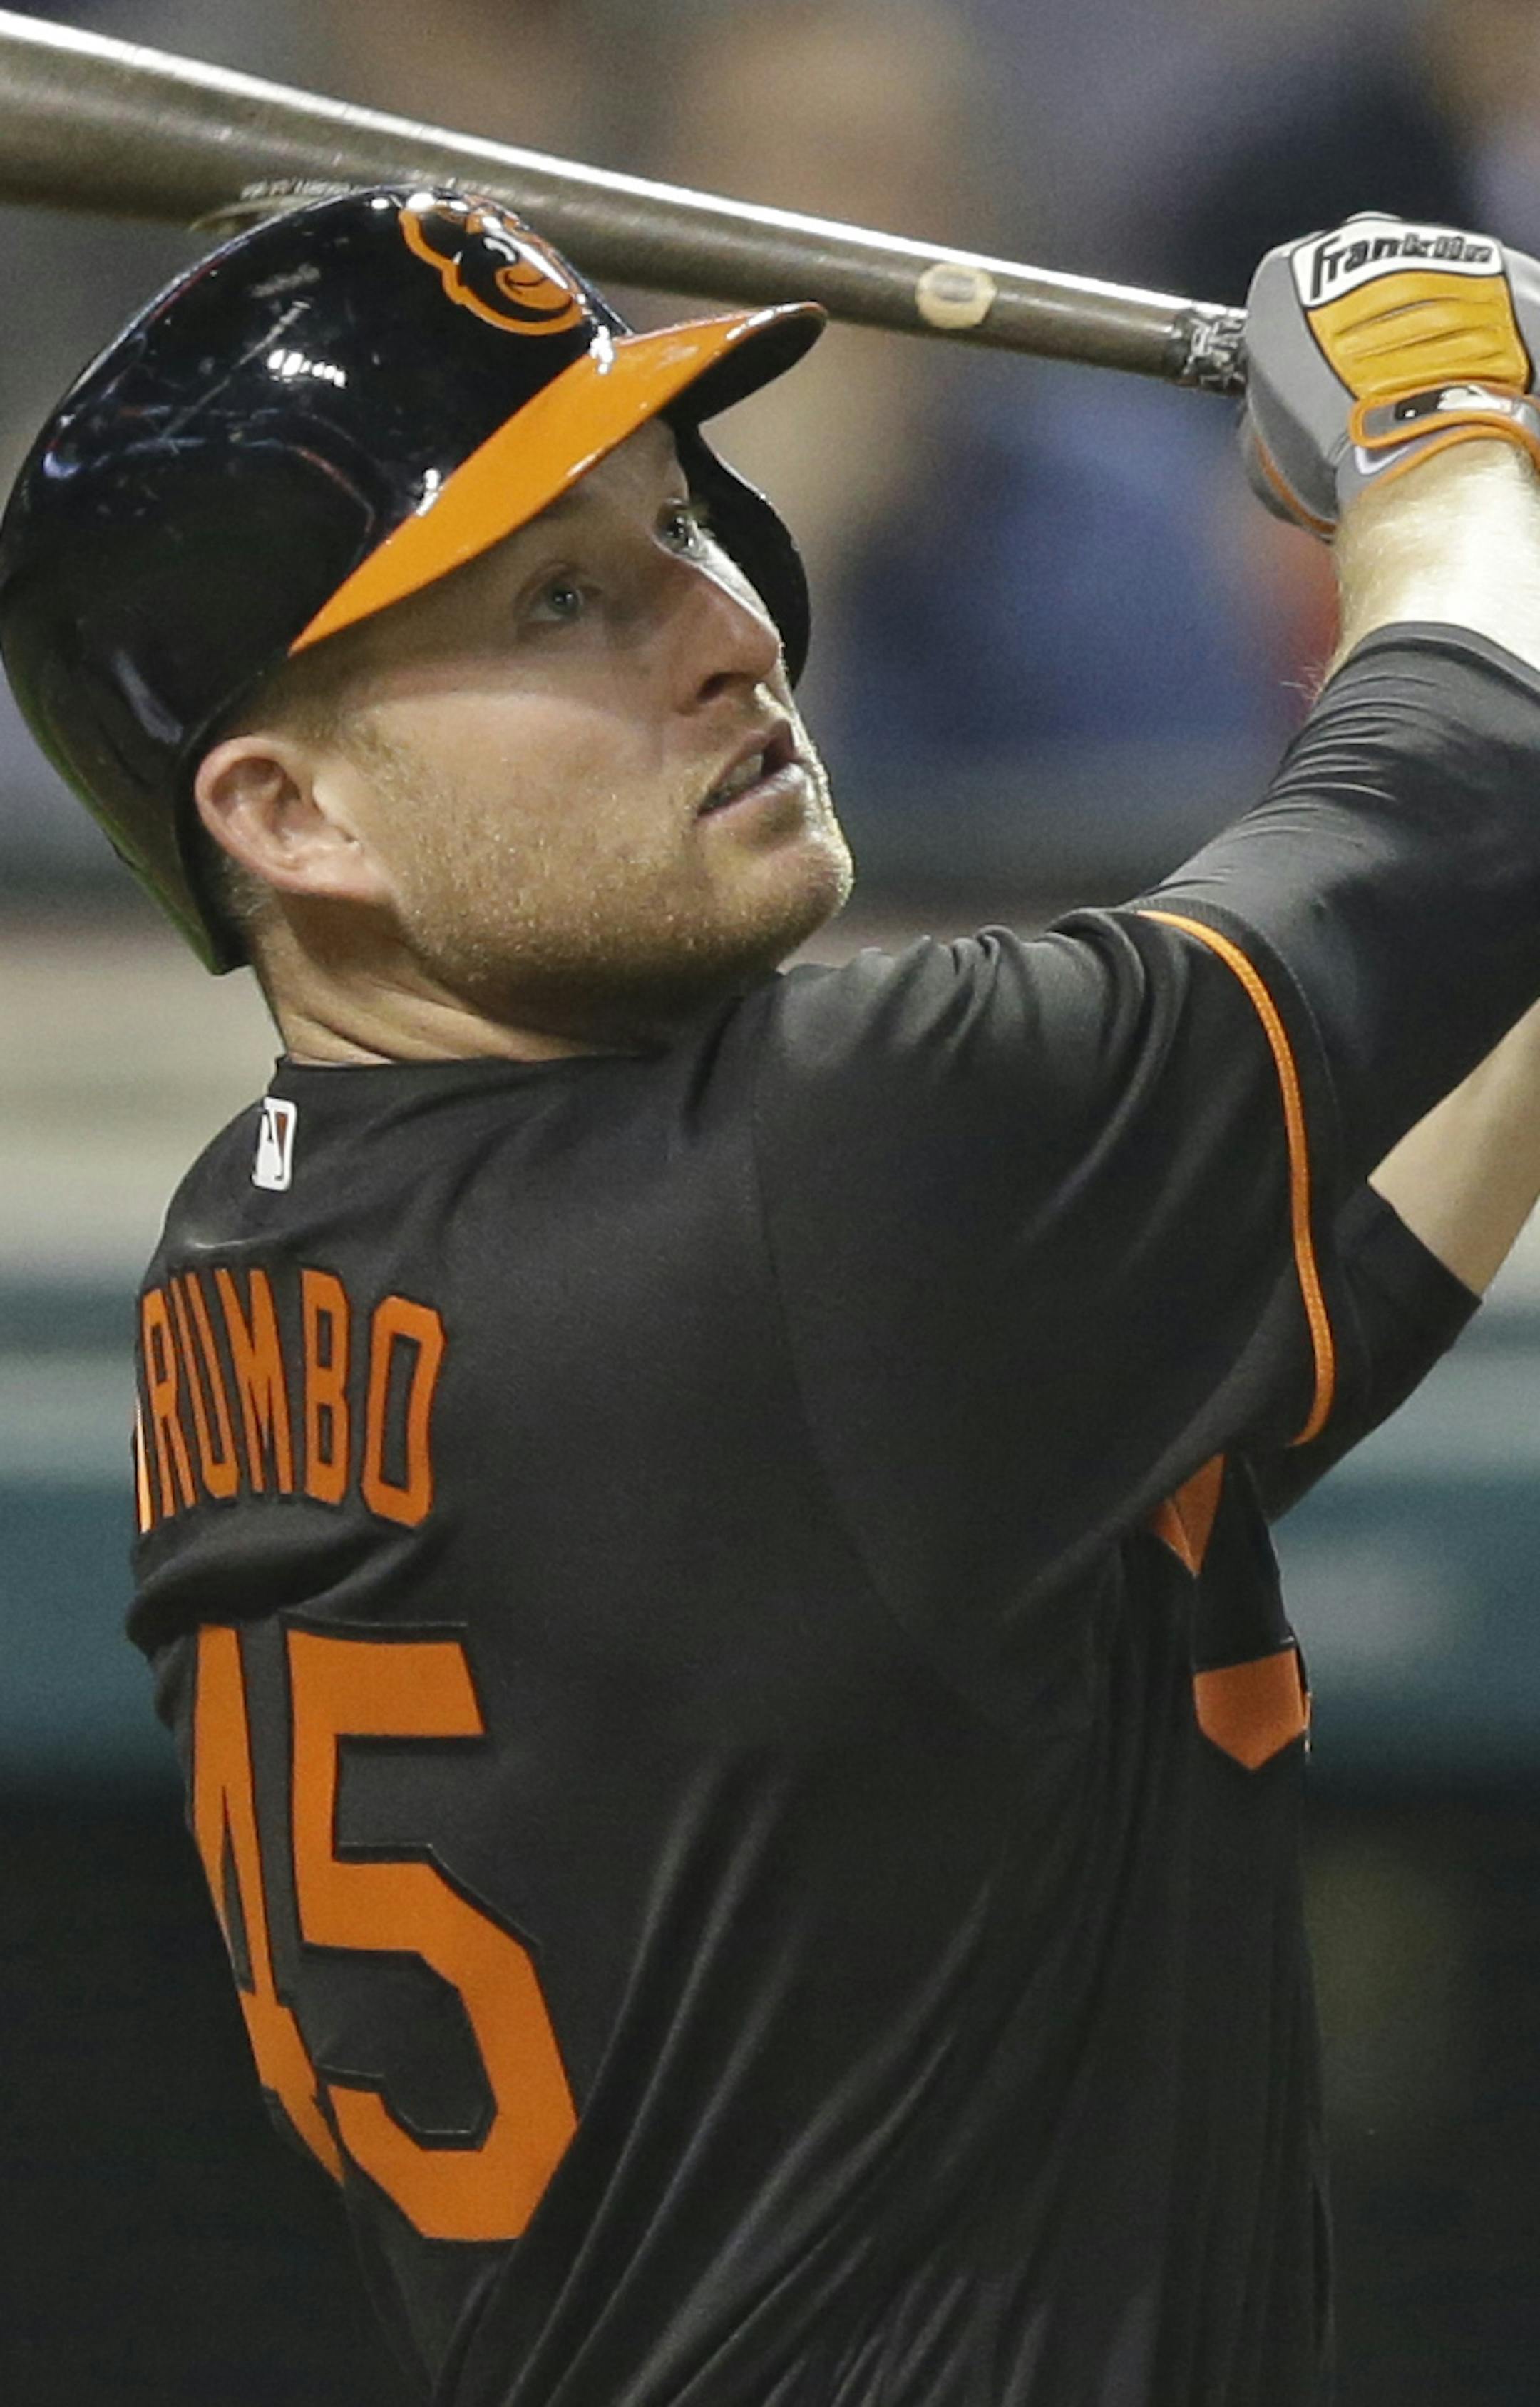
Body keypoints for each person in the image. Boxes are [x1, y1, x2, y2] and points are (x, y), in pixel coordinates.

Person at [9, 183, 1540, 2406]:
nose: (727, 629)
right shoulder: (816, 1182)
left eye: (675, 524)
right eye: (559, 598)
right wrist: (1449, 434)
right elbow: (1466, 795)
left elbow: (1275, 1321)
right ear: (291, 815)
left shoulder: (263, 1252)